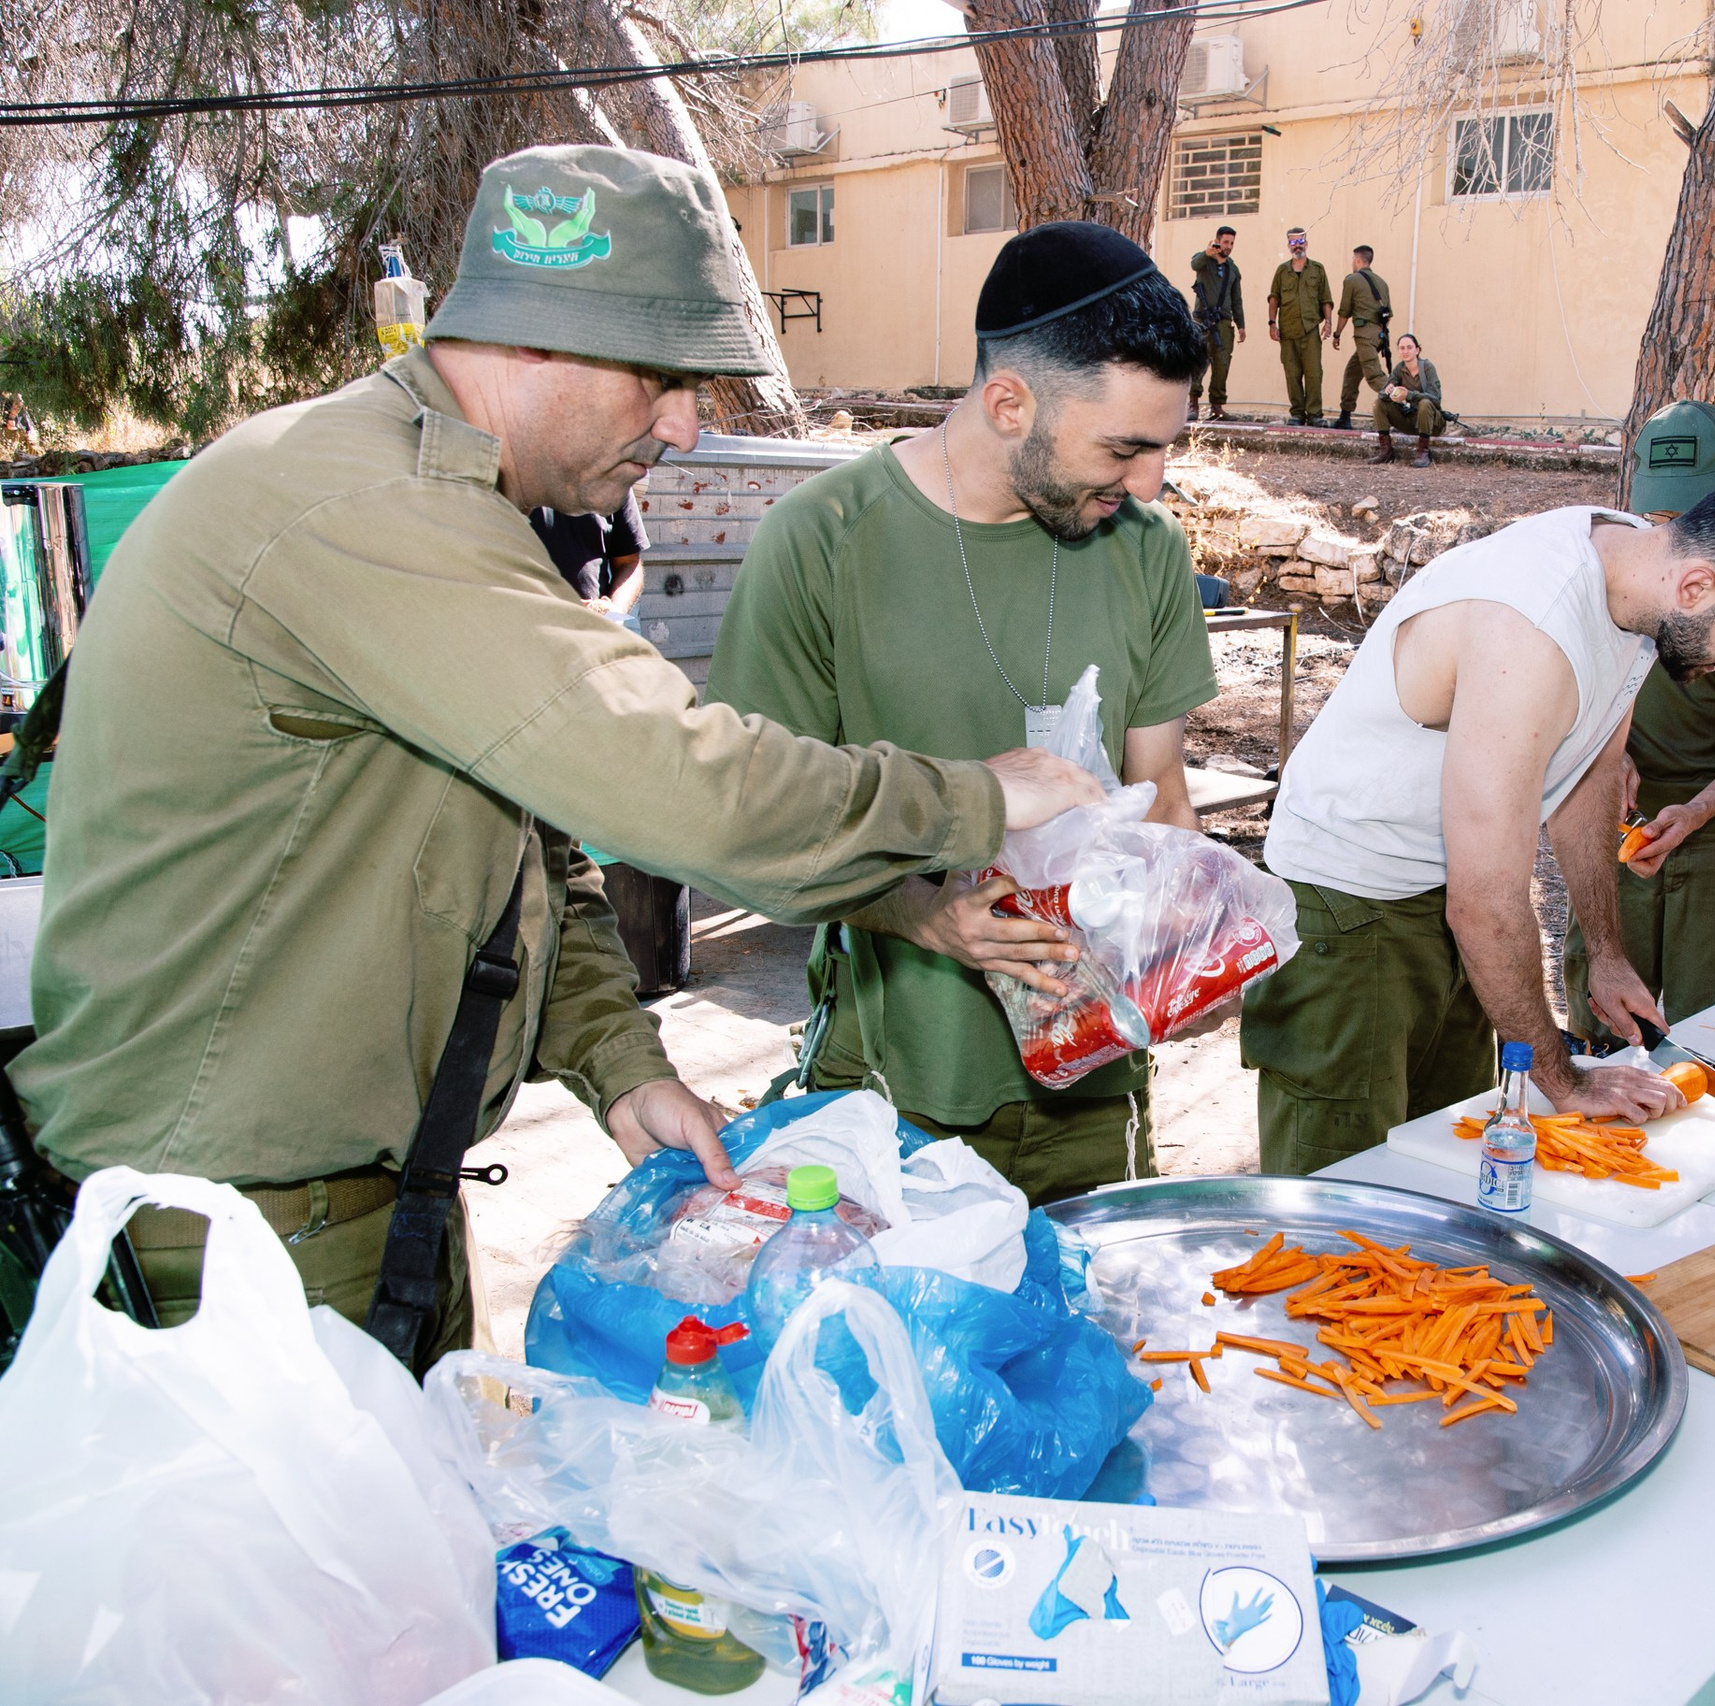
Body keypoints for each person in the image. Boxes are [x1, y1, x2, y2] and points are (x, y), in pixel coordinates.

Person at [13, 145, 1101, 1353]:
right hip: (229, 1239)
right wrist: (972, 798)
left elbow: (529, 855)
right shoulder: (363, 504)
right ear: (534, 341)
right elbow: (677, 782)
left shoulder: (457, 510)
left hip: (360, 1208)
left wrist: (620, 1062)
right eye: (663, 378)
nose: (686, 429)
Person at [708, 222, 1218, 1208]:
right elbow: (753, 833)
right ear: (1008, 401)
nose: (1149, 482)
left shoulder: (1145, 547)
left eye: (1163, 446)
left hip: (1096, 1085)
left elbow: (1162, 799)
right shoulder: (820, 543)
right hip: (895, 1094)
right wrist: (928, 917)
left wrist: (1188, 934)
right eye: (1124, 446)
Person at [1243, 480, 1715, 1175]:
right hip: (1349, 901)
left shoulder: (1640, 577)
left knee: (1445, 1151)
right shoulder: (1532, 622)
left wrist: (1609, 956)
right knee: (1343, 1178)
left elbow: (1592, 772)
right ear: (1699, 586)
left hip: (1443, 894)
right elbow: (1488, 902)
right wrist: (1566, 1081)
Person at [1565, 401, 1715, 1030]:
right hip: (1619, 832)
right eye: (1659, 512)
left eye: (1688, 511)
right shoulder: (1613, 562)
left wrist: (1701, 808)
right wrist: (1607, 759)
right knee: (1603, 1036)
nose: (1670, 526)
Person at [530, 488, 648, 617]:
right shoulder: (512, 474)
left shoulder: (614, 477)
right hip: (524, 627)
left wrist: (615, 613)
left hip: (592, 629)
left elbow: (628, 563)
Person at [1267, 228, 1333, 427]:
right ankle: (1297, 413)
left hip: (1311, 329)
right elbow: (1274, 299)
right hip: (1287, 331)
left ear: (1306, 243)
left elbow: (1326, 299)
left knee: (1314, 373)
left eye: (1301, 242)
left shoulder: (1318, 269)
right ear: (1288, 246)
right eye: (1293, 243)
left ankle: (1315, 414)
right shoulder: (1282, 271)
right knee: (1292, 373)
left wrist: (1328, 323)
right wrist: (1272, 323)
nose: (1298, 246)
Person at [1188, 225, 1246, 422]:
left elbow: (1236, 299)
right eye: (1225, 242)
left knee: (1222, 364)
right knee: (1198, 362)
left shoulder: (1233, 269)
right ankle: (1193, 404)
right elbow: (1194, 264)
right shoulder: (1204, 260)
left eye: (1231, 243)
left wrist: (1241, 325)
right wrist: (1207, 252)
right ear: (1217, 240)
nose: (1228, 246)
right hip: (1203, 320)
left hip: (1223, 322)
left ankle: (1217, 407)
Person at [1330, 244, 1392, 431]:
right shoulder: (1382, 282)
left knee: (1374, 376)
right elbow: (1388, 316)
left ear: (1357, 260)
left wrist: (1337, 334)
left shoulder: (1352, 280)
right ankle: (1345, 416)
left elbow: (1344, 312)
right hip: (1379, 335)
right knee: (1352, 372)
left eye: (1352, 259)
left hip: (1364, 335)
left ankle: (1406, 404)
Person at [1372, 333, 1442, 467]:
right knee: (1378, 404)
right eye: (1402, 348)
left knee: (1425, 403)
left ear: (1417, 350)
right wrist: (1388, 392)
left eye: (1409, 347)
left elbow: (1436, 399)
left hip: (1432, 422)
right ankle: (1386, 451)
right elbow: (1382, 395)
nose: (1405, 351)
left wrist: (1408, 395)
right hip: (1411, 420)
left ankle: (1423, 452)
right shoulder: (1399, 369)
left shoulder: (1427, 367)